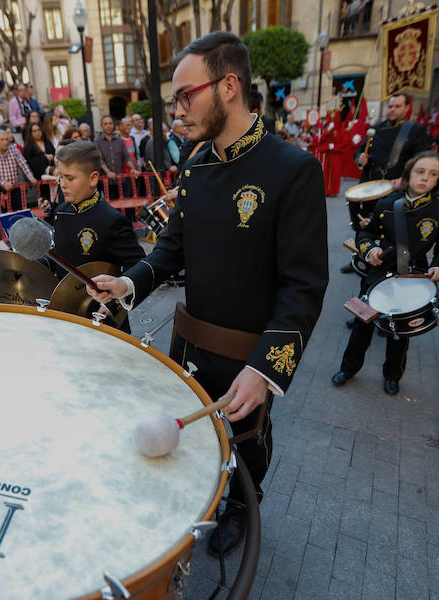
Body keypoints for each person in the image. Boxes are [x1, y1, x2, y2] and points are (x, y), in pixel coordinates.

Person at [85, 31, 328, 557]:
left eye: (185, 95)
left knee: (247, 445)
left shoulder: (293, 169)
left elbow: (304, 285)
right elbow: (171, 249)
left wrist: (267, 370)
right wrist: (129, 283)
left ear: (229, 86)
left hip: (249, 353)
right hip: (190, 341)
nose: (177, 110)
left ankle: (244, 505)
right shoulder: (195, 166)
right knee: (194, 439)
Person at [331, 151, 439, 395]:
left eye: (433, 174)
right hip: (380, 271)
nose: (425, 178)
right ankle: (349, 368)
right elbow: (365, 234)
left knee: (400, 332)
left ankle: (392, 374)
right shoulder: (388, 203)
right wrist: (370, 251)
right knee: (362, 325)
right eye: (420, 172)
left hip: (413, 274)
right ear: (408, 174)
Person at [38, 141, 145, 331]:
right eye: (60, 177)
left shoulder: (112, 220)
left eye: (70, 178)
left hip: (103, 317)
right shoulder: (61, 212)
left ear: (93, 178)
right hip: (68, 311)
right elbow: (61, 256)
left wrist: (113, 305)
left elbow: (136, 266)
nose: (62, 184)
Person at [339, 93, 430, 274]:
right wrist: (360, 158)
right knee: (364, 224)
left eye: (397, 106)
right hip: (370, 184)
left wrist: (405, 180)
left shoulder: (415, 130)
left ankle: (394, 262)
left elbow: (422, 160)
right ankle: (361, 257)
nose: (392, 110)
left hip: (396, 186)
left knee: (392, 227)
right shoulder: (376, 129)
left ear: (406, 108)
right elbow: (359, 151)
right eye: (390, 106)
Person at [0, 130, 37, 211]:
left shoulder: (14, 149)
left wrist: (30, 177)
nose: (5, 142)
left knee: (20, 212)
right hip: (0, 189)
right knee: (5, 215)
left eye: (6, 139)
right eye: (2, 139)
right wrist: (3, 183)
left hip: (16, 188)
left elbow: (23, 164)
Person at [95, 115, 133, 199]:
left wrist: (133, 168)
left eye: (110, 123)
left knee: (124, 205)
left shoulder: (120, 140)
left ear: (113, 125)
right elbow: (99, 160)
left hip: (120, 180)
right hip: (106, 182)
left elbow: (127, 157)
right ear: (102, 126)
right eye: (105, 124)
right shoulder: (97, 142)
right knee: (111, 207)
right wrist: (108, 172)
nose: (108, 126)